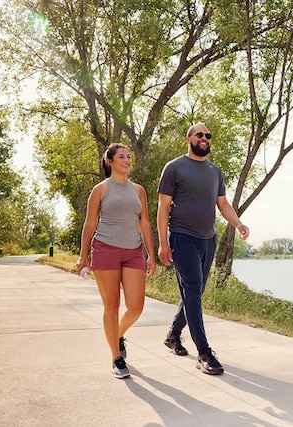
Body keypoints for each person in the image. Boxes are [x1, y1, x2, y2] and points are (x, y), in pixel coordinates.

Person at [157, 122, 249, 375]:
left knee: (192, 294)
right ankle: (205, 353)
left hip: (208, 239)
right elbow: (163, 207)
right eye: (200, 134)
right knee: (194, 294)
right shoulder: (174, 167)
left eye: (208, 135)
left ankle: (173, 335)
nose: (205, 138)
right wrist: (163, 243)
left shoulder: (214, 171)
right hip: (182, 237)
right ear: (189, 138)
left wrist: (238, 223)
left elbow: (223, 204)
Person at [76, 143, 156, 379]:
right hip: (105, 249)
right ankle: (116, 357)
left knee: (136, 307)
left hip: (133, 252)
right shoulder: (101, 190)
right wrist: (83, 256)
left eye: (129, 157)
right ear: (109, 161)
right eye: (121, 156)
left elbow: (144, 223)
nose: (127, 160)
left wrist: (151, 254)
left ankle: (117, 335)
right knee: (111, 305)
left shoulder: (139, 190)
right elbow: (90, 223)